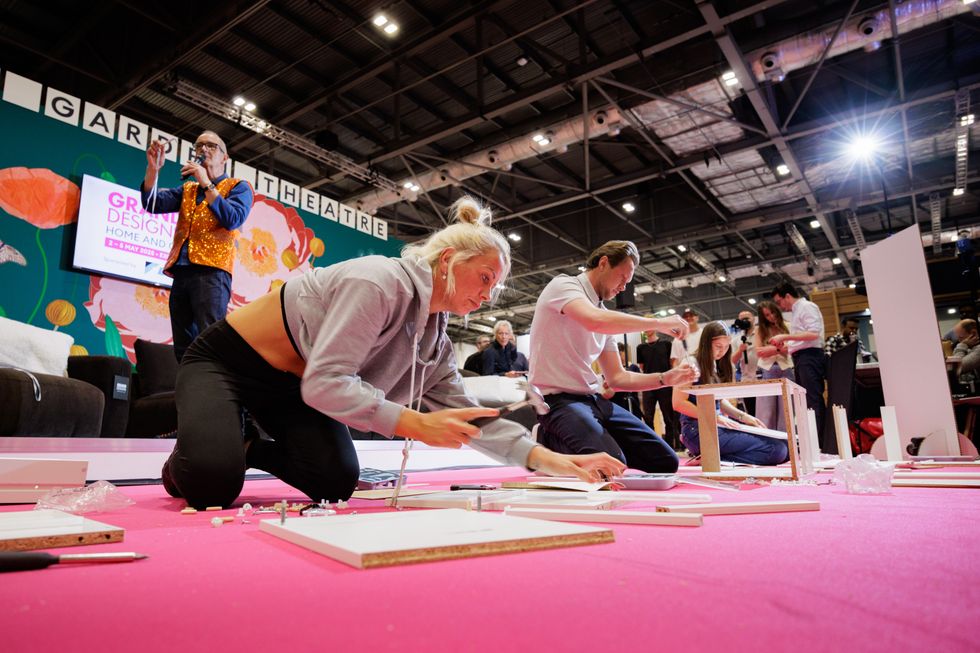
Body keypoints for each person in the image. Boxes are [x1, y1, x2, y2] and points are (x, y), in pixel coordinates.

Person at [162, 197, 624, 508]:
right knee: (211, 485)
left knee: (335, 481)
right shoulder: (379, 282)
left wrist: (553, 461)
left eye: (495, 287)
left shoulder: (435, 342)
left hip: (293, 388)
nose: (489, 295)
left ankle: (245, 444)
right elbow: (327, 382)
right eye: (485, 278)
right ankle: (205, 445)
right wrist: (415, 424)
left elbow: (472, 418)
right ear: (449, 261)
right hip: (228, 362)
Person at [528, 240, 696, 473]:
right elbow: (593, 320)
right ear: (604, 263)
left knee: (666, 461)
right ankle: (547, 439)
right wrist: (657, 323)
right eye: (622, 278)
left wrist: (666, 378)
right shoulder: (564, 286)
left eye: (627, 282)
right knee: (610, 465)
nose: (623, 287)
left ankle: (584, 442)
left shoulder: (604, 316)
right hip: (556, 402)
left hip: (592, 399)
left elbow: (617, 378)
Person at [142, 131, 254, 362]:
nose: (203, 149)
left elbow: (232, 219)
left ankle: (212, 383)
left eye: (211, 146)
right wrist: (153, 169)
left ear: (225, 157)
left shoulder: (239, 187)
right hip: (182, 272)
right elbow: (152, 204)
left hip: (212, 273)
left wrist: (206, 182)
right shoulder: (188, 190)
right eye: (199, 145)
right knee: (183, 346)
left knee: (210, 339)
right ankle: (186, 384)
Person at [673, 321, 788, 465]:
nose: (722, 351)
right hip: (697, 430)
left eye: (726, 347)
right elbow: (678, 403)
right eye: (718, 346)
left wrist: (743, 416)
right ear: (706, 343)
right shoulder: (690, 364)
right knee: (777, 450)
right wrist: (715, 417)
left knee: (786, 447)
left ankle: (713, 457)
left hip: (717, 424)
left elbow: (718, 401)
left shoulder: (713, 363)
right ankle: (710, 457)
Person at [770, 282, 827, 444]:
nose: (780, 306)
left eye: (779, 301)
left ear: (787, 296)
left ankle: (820, 442)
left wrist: (785, 337)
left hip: (810, 357)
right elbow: (804, 338)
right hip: (803, 357)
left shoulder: (807, 306)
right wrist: (788, 345)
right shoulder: (798, 310)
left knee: (812, 399)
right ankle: (815, 441)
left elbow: (814, 334)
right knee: (807, 400)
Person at [754, 300, 795, 432]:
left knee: (787, 410)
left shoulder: (788, 326)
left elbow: (792, 348)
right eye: (767, 315)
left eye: (772, 312)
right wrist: (779, 349)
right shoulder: (760, 330)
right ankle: (768, 439)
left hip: (786, 368)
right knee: (766, 411)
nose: (771, 316)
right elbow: (759, 352)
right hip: (767, 370)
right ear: (762, 317)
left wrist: (771, 349)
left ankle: (787, 440)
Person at [636, 327, 679, 449]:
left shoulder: (666, 344)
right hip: (648, 385)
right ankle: (653, 447)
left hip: (665, 384)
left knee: (668, 417)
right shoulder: (641, 347)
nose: (647, 329)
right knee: (648, 417)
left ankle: (670, 446)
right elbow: (642, 367)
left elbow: (672, 364)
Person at [603, 343, 642, 419]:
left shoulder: (633, 367)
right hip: (616, 404)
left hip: (632, 403)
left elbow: (639, 389)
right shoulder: (610, 370)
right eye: (617, 354)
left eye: (620, 354)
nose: (619, 357)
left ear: (624, 353)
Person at [730, 309, 759, 415]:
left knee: (767, 412)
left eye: (747, 318)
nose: (744, 321)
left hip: (763, 378)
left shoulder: (761, 334)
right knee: (751, 412)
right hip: (747, 380)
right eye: (741, 319)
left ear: (754, 319)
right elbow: (732, 361)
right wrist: (740, 351)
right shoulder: (736, 340)